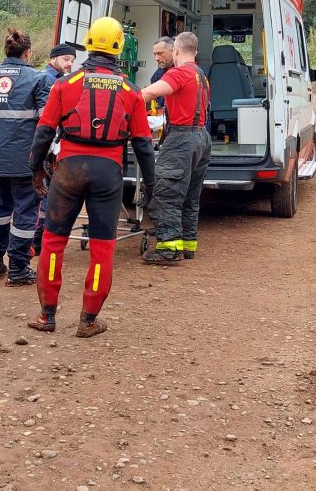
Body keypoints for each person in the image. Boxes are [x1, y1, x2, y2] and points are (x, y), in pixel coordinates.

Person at [28, 17, 156, 338]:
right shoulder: (131, 91)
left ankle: (47, 317)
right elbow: (142, 145)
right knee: (102, 247)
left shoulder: (65, 84)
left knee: (54, 242)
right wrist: (151, 186)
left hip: (69, 170)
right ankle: (87, 321)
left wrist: (36, 169)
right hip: (108, 174)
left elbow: (43, 133)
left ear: (88, 43)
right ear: (119, 47)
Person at [0, 29, 52, 285]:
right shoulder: (38, 78)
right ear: (28, 53)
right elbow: (48, 123)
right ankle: (18, 269)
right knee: (25, 213)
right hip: (26, 161)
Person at [139, 31, 211, 264]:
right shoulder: (201, 74)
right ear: (196, 52)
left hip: (181, 139)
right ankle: (188, 244)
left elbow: (151, 92)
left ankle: (168, 249)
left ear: (177, 51)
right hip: (201, 137)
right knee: (191, 196)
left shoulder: (179, 72)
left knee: (165, 195)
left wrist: (120, 100)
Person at [32, 43, 78, 254]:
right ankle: (38, 241)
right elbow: (46, 121)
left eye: (72, 60)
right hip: (47, 148)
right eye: (66, 59)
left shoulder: (52, 78)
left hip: (46, 146)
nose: (70, 64)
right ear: (53, 59)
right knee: (47, 195)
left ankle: (37, 241)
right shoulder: (50, 80)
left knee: (46, 194)